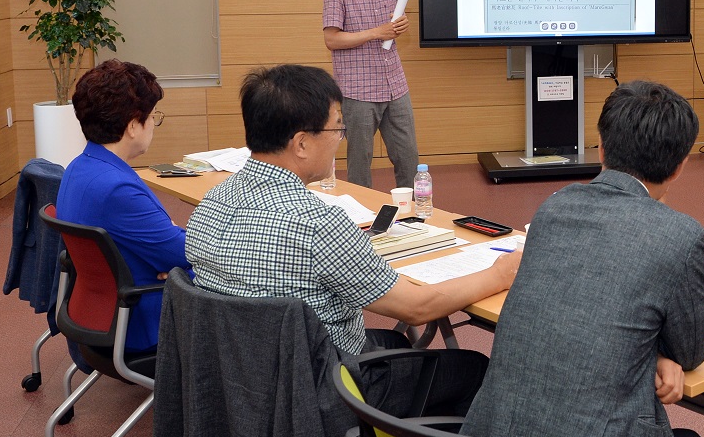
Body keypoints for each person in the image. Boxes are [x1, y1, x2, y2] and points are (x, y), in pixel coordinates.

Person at [461, 81, 704, 437]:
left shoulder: (555, 207)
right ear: (680, 166)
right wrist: (667, 350)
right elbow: (694, 350)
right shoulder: (680, 236)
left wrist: (654, 348)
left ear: (601, 149)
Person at [185, 64, 519, 361]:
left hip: (247, 373)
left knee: (393, 341)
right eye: (337, 129)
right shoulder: (317, 222)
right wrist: (500, 274)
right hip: (325, 386)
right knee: (469, 368)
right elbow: (417, 308)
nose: (341, 140)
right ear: (301, 143)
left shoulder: (213, 200)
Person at [55, 59, 191, 354]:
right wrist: (184, 268)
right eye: (153, 116)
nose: (154, 124)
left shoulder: (79, 168)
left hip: (100, 312)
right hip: (141, 321)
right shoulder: (116, 189)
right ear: (132, 126)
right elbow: (183, 252)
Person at [323, 0, 418, 189]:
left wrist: (399, 25)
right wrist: (378, 32)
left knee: (408, 157)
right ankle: (362, 219)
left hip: (395, 84)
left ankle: (414, 216)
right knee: (360, 162)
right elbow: (332, 39)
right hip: (359, 89)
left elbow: (390, 28)